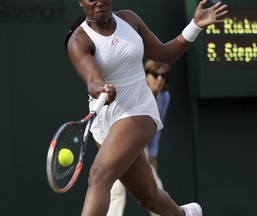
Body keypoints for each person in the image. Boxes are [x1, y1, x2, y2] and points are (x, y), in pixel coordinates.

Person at [65, 0, 228, 215]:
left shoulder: (129, 19)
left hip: (138, 110)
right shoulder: (78, 40)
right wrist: (100, 88)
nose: (98, 1)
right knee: (148, 195)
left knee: (99, 176)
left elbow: (164, 53)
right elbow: (92, 80)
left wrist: (195, 25)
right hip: (104, 123)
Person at [107, 60, 171, 216]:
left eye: (164, 76)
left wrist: (153, 154)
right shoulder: (136, 93)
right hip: (119, 140)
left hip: (141, 144)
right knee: (116, 188)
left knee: (154, 187)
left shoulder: (164, 97)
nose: (160, 79)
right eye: (155, 75)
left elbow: (157, 127)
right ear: (146, 75)